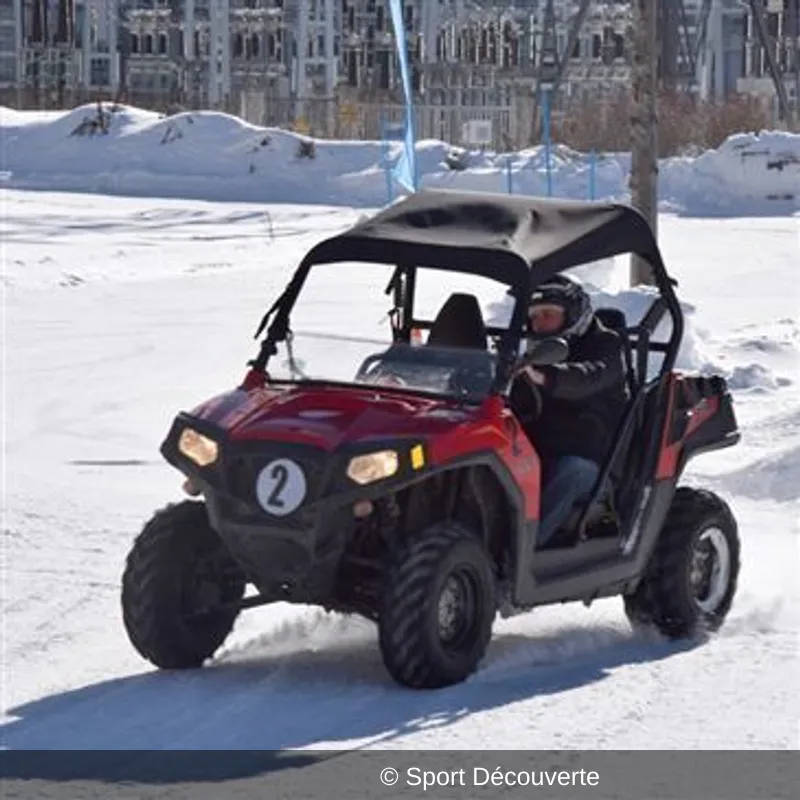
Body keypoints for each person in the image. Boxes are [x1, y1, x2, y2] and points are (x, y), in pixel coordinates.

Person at [510, 275, 628, 548]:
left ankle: (524, 553)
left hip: (595, 462)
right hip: (540, 450)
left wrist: (546, 377)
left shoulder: (606, 346)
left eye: (549, 315)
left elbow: (588, 376)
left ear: (574, 315)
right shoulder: (537, 353)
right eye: (535, 317)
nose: (540, 323)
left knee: (571, 471)